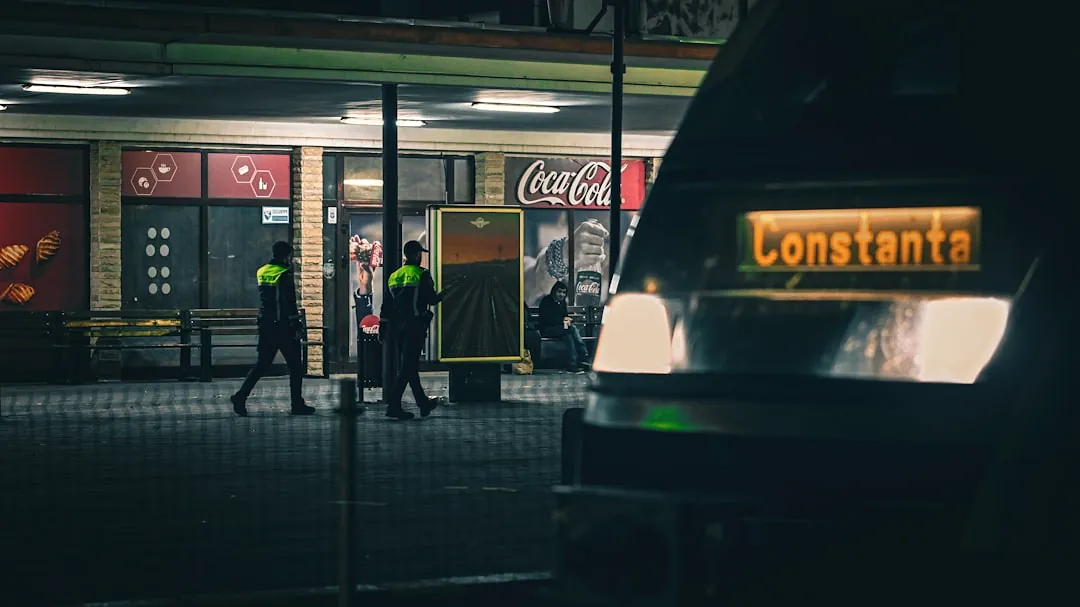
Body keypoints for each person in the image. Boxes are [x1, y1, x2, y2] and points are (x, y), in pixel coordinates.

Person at [230, 241, 315, 417]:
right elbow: (287, 303)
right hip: (283, 327)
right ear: (286, 256)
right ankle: (296, 404)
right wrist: (296, 324)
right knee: (295, 367)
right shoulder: (284, 273)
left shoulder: (262, 271)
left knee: (262, 365)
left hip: (266, 325)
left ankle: (240, 396)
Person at [380, 240, 445, 421]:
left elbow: (386, 305)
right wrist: (442, 295)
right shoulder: (422, 274)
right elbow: (430, 299)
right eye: (420, 254)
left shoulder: (395, 276)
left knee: (410, 366)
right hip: (415, 327)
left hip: (397, 328)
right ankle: (394, 405)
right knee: (408, 367)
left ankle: (423, 403)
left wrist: (382, 328)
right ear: (417, 255)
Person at [538, 281, 589, 373]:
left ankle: (572, 364)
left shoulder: (562, 303)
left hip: (561, 330)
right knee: (572, 329)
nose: (561, 295)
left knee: (568, 336)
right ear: (554, 291)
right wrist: (562, 322)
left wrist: (567, 320)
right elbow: (546, 319)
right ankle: (584, 354)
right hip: (548, 329)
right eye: (559, 292)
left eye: (564, 292)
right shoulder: (547, 301)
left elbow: (564, 316)